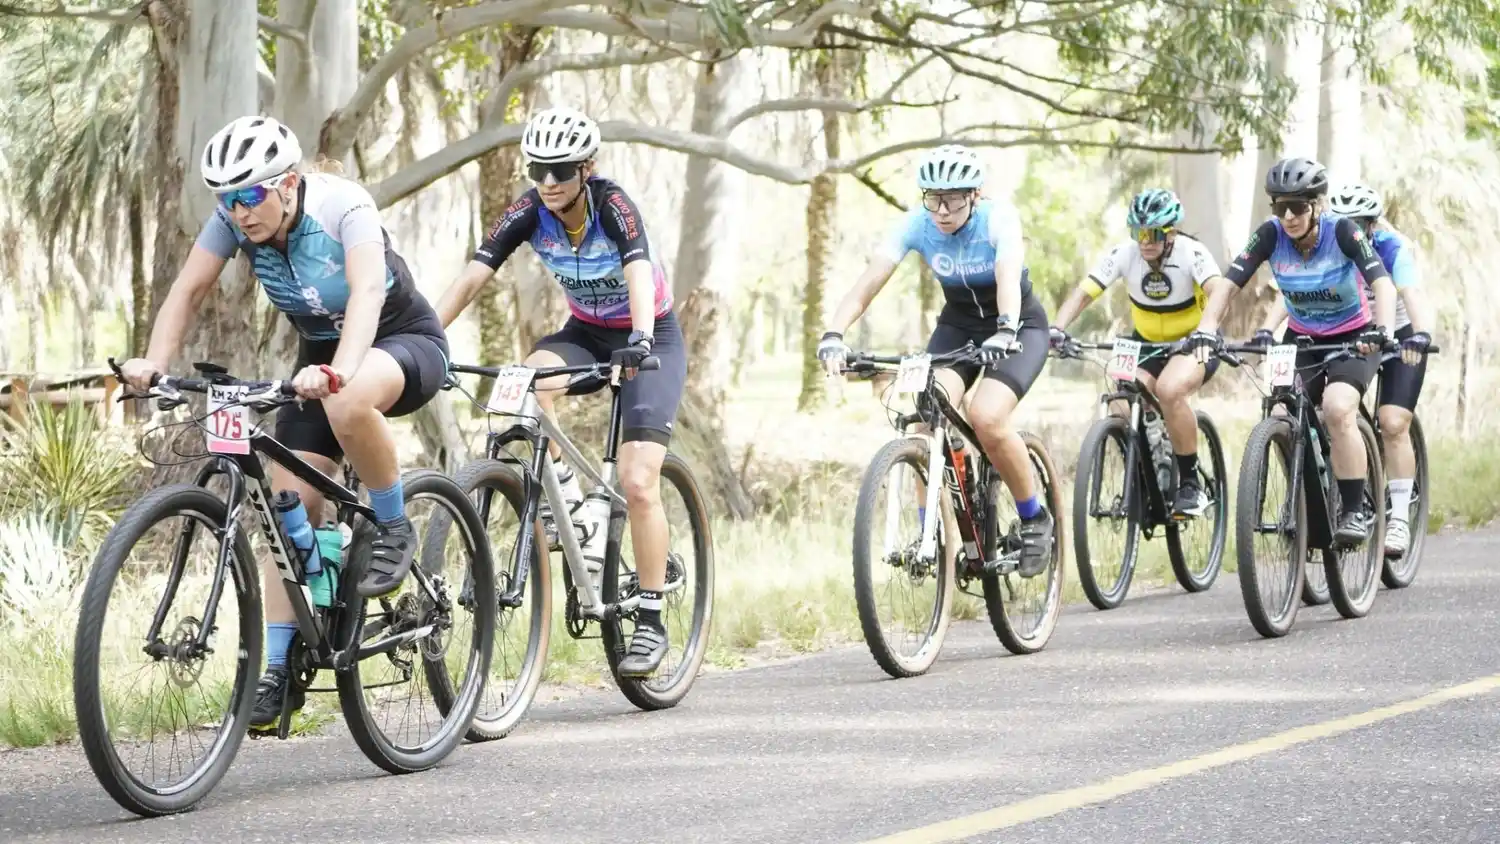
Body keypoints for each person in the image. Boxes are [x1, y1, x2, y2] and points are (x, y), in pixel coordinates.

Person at [118, 115, 452, 728]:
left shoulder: (343, 206)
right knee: (284, 502)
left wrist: (340, 371)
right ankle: (278, 670)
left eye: (251, 195)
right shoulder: (233, 223)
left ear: (289, 183)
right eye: (227, 198)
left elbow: (369, 293)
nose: (240, 211)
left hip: (400, 340)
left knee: (347, 403)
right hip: (321, 357)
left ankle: (394, 521)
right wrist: (153, 363)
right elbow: (189, 290)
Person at [433, 105, 685, 678]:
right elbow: (475, 274)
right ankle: (567, 508)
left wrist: (642, 337)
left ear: (588, 167)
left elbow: (639, 273)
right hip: (585, 334)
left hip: (650, 337)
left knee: (639, 480)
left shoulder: (614, 206)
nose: (549, 182)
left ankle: (650, 620)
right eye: (539, 169)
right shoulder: (528, 210)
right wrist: (427, 336)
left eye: (563, 171)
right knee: (519, 392)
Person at [815, 144, 1055, 576]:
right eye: (933, 198)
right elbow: (868, 283)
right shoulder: (916, 225)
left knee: (986, 416)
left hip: (1018, 327)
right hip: (959, 327)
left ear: (975, 195)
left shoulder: (998, 219)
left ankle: (1035, 517)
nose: (941, 211)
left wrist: (1005, 328)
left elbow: (1007, 274)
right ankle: (933, 535)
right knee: (928, 415)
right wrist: (834, 334)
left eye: (953, 199)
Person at [1202, 157, 1397, 546]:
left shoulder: (1342, 232)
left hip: (1353, 337)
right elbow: (1229, 283)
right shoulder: (1270, 235)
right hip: (1302, 338)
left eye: (1297, 207)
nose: (1288, 216)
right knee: (1278, 411)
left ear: (1316, 206)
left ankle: (1355, 510)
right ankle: (1305, 496)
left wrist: (1382, 330)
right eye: (1279, 207)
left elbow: (1383, 282)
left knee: (1339, 408)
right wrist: (1206, 328)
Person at [1260, 181, 1435, 557]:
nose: (1351, 227)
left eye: (1359, 221)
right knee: (1316, 411)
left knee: (1392, 422)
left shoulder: (1390, 247)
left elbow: (1409, 294)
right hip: (1347, 333)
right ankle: (1313, 493)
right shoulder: (1324, 245)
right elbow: (1289, 297)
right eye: (1344, 219)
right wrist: (1266, 330)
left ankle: (1400, 515)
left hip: (1396, 333)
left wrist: (1419, 335)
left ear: (1374, 224)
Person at [1049, 188, 1235, 518]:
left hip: (1194, 341)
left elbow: (1219, 291)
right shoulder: (1125, 254)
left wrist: (1206, 331)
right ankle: (1148, 469)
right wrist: (1057, 328)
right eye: (1138, 233)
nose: (1144, 241)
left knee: (1168, 391)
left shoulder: (1192, 253)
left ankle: (1190, 484)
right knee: (1120, 400)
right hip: (1146, 342)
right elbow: (1084, 293)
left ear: (1171, 233)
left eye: (1152, 234)